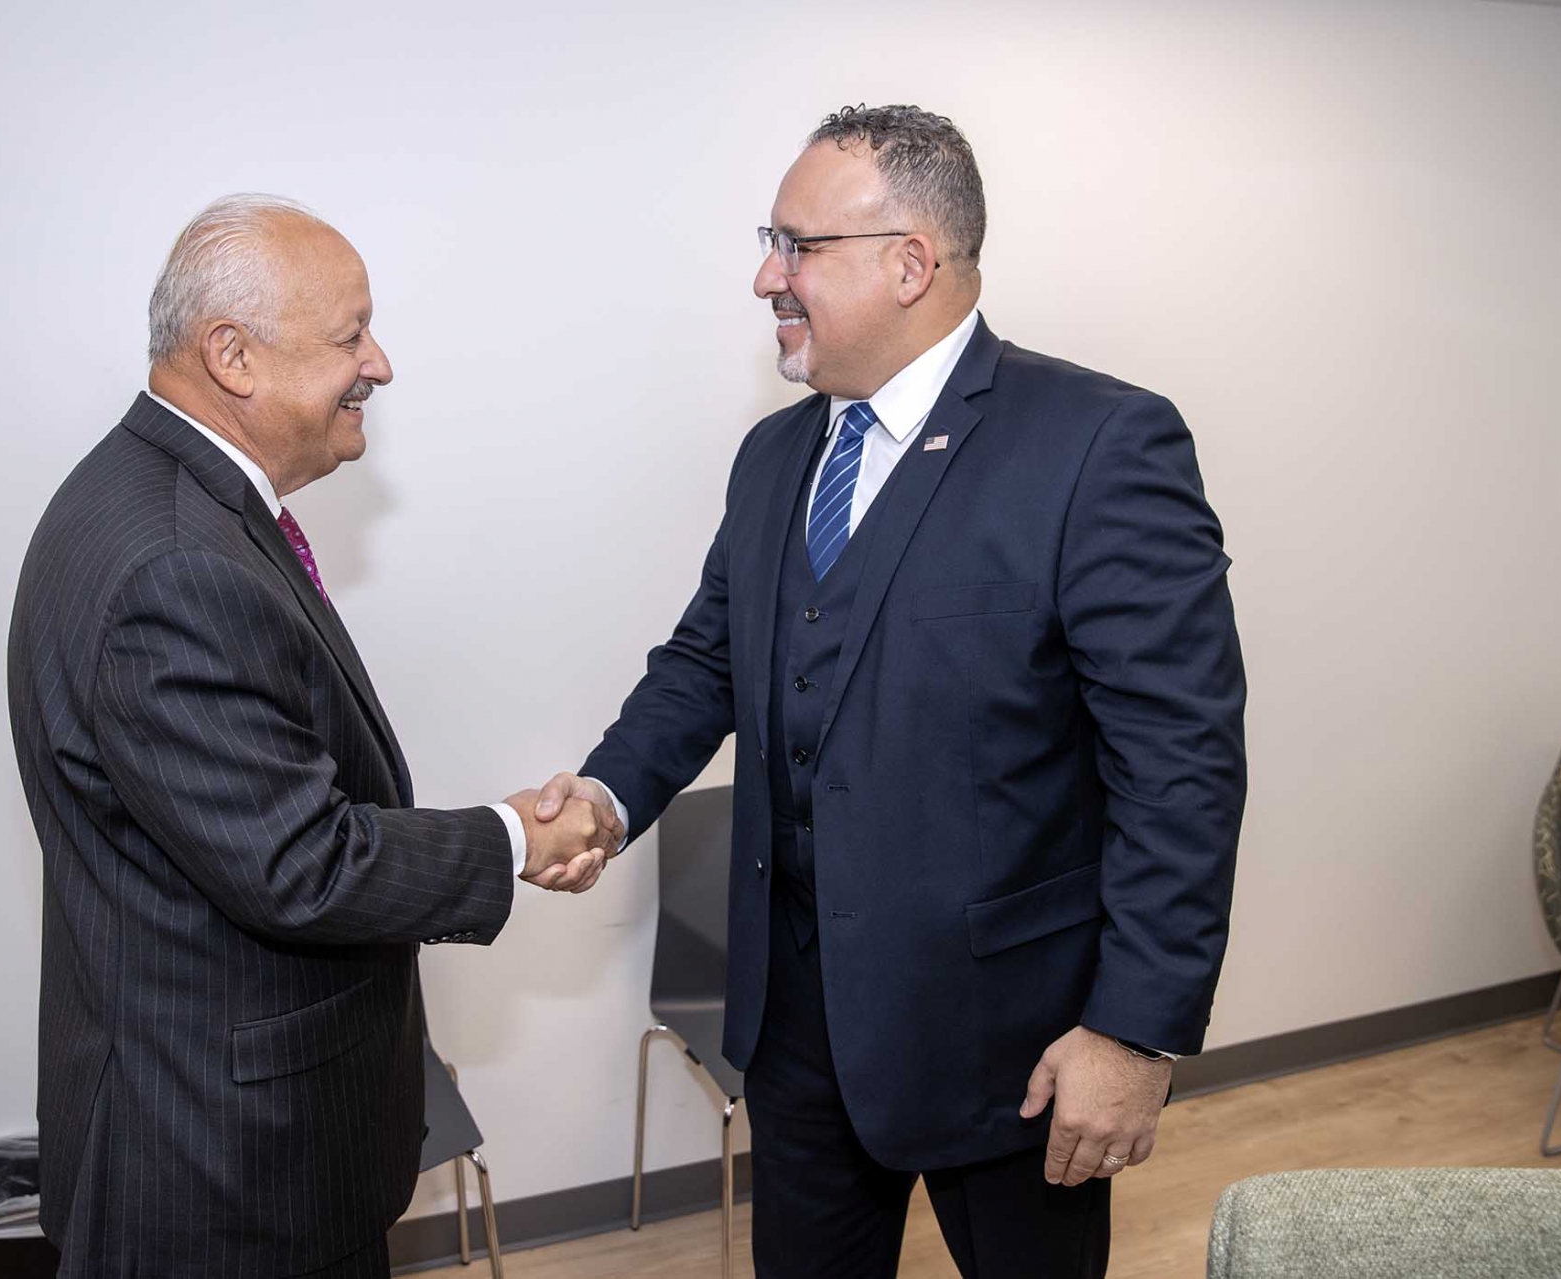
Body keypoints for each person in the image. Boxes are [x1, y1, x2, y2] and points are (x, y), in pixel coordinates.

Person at [534, 106, 1247, 1278]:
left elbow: (1183, 770)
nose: (766, 275)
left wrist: (1133, 1033)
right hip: (797, 1026)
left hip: (1017, 1045)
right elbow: (707, 660)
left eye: (795, 245)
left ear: (910, 263)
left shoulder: (1100, 446)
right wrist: (609, 797)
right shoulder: (775, 458)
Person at [7, 194, 617, 1278]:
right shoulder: (175, 564)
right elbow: (299, 863)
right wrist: (514, 838)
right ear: (233, 355)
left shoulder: (158, 499)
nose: (378, 363)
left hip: (208, 1123)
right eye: (350, 334)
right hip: (226, 1173)